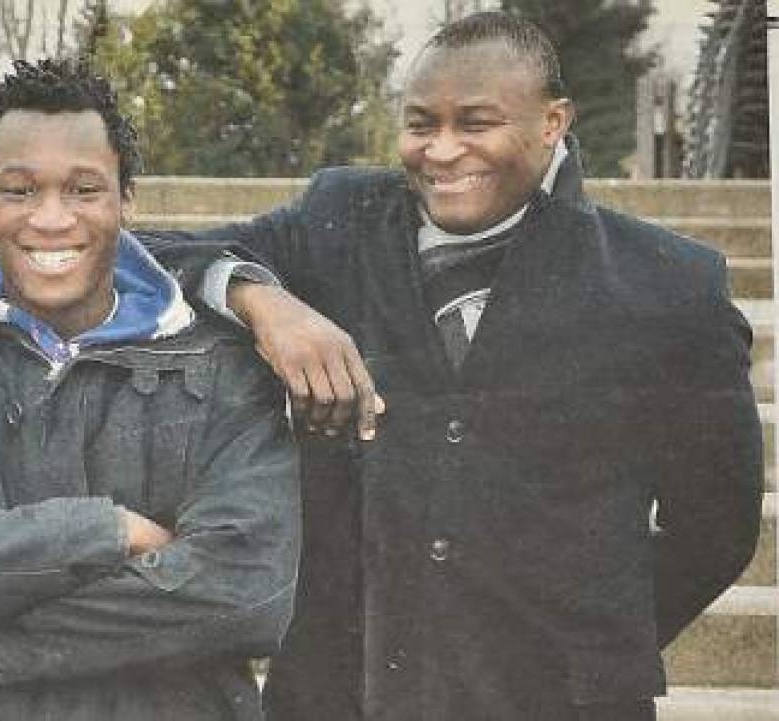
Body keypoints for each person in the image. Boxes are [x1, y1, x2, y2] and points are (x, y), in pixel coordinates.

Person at [160, 12, 762, 721]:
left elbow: (716, 527)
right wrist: (260, 298)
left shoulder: (667, 284)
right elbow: (140, 256)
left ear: (552, 122)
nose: (442, 151)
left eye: (475, 123)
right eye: (421, 124)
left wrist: (584, 646)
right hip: (340, 692)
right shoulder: (341, 218)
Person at [0, 57, 300, 720]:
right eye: (18, 190)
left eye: (83, 189)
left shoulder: (221, 366)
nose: (50, 218)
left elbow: (246, 593)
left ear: (127, 198)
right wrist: (104, 530)